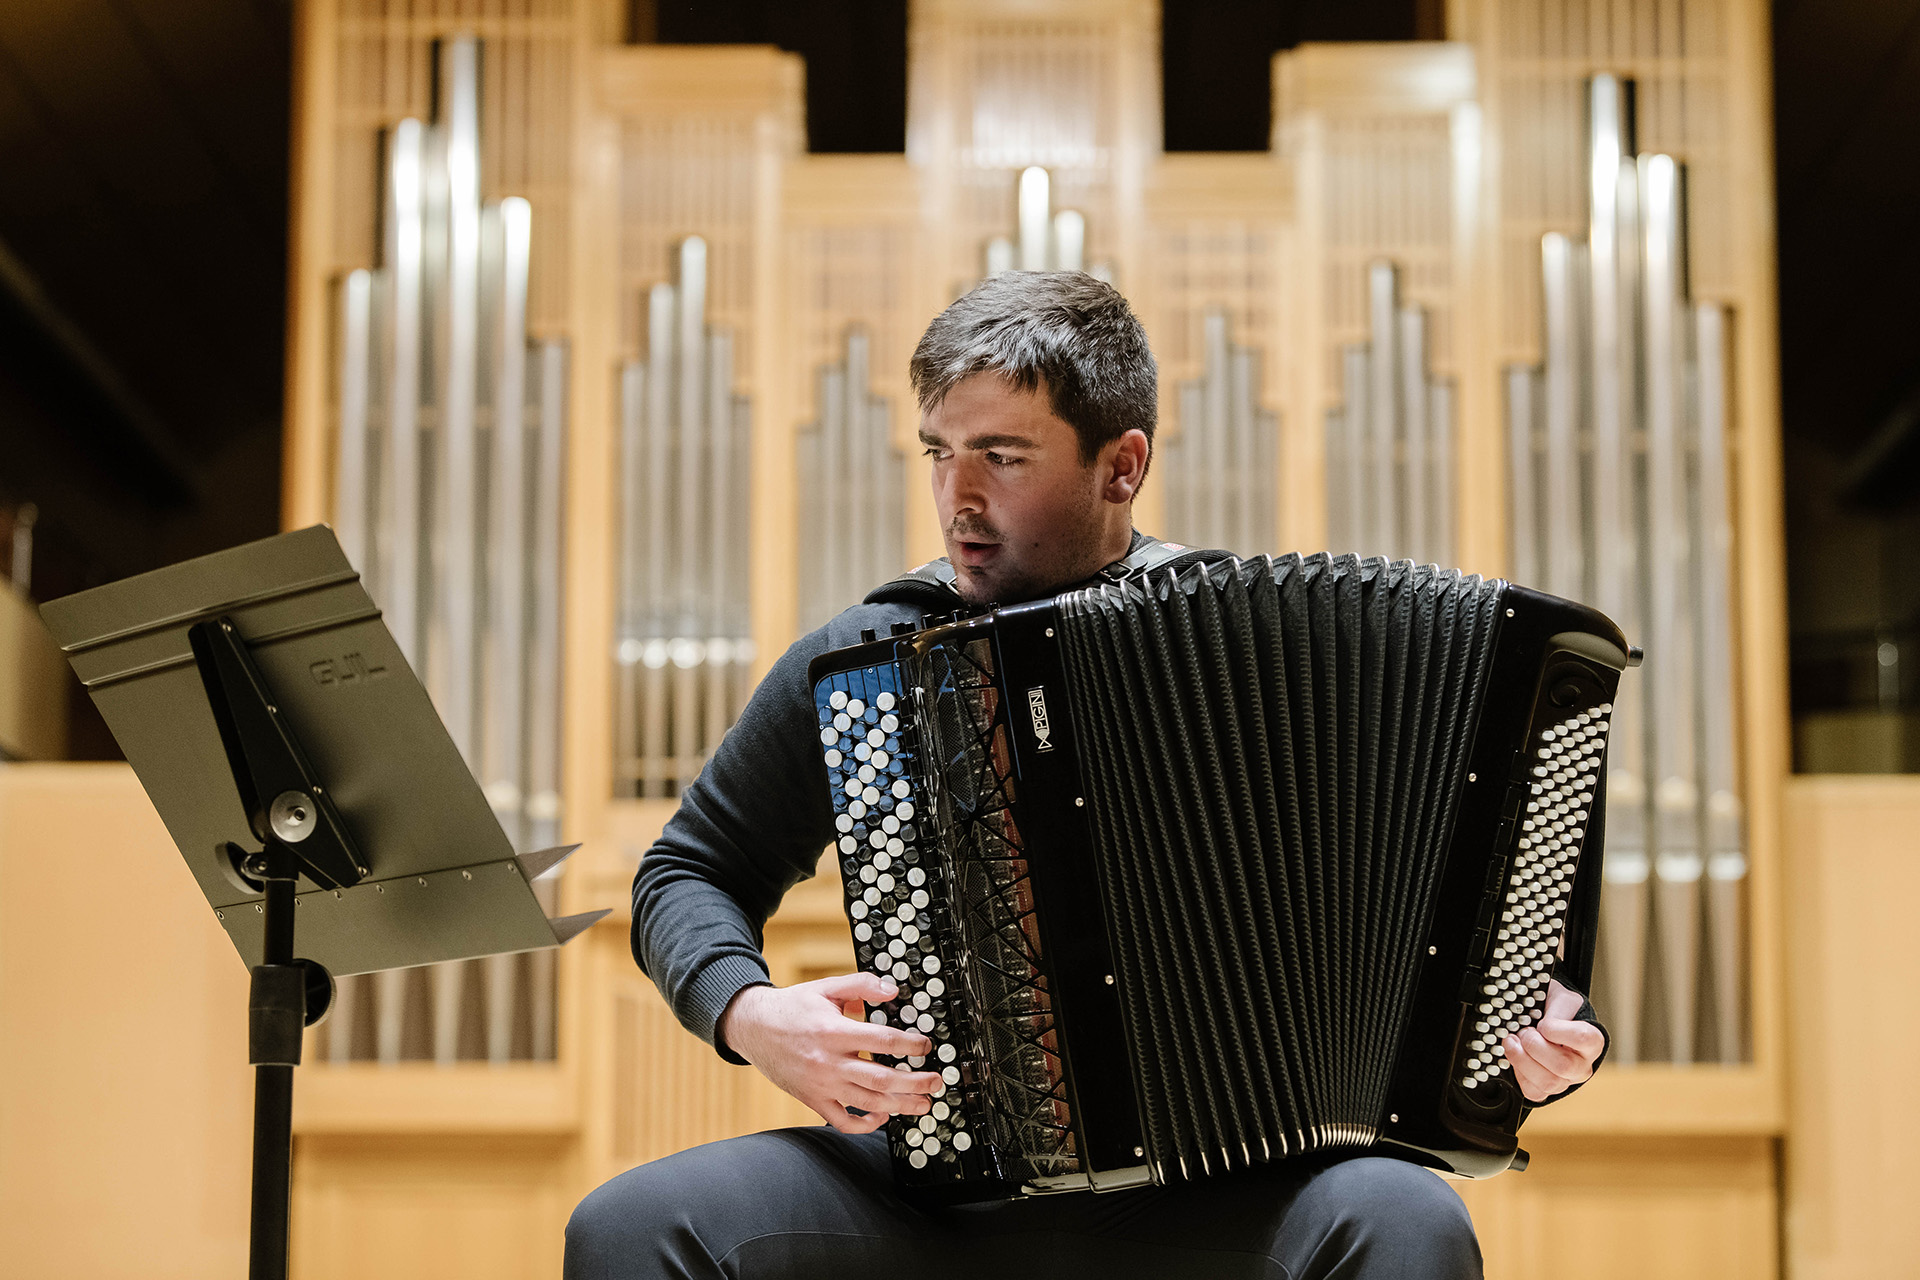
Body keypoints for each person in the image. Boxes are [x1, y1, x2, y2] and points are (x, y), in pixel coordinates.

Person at [565, 271, 1608, 1279]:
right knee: (630, 1224)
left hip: (1231, 1185)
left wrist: (1532, 1031)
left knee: (1410, 1215)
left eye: (1002, 457)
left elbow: (1444, 922)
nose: (957, 496)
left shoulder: (1248, 643)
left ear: (1123, 465)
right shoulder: (882, 653)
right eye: (939, 452)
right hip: (944, 1184)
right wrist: (750, 1012)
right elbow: (688, 869)